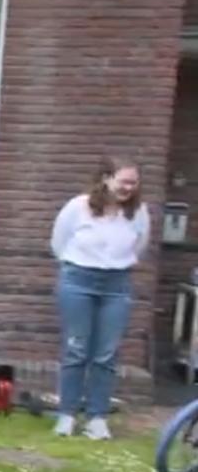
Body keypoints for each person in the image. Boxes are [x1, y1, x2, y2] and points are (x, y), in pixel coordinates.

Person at [49, 155, 150, 441]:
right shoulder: (78, 207)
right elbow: (59, 243)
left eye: (133, 182)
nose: (128, 187)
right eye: (123, 181)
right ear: (106, 178)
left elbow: (139, 247)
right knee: (76, 349)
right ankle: (67, 415)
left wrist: (114, 264)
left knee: (106, 354)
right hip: (78, 280)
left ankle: (97, 417)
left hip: (116, 284)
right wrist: (81, 265)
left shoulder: (138, 212)